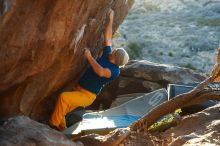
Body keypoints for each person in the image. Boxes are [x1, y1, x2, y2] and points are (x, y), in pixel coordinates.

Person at [49, 9, 129, 130]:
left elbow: (100, 72)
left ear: (116, 59)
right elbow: (108, 37)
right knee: (63, 110)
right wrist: (111, 18)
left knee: (63, 98)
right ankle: (62, 129)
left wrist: (89, 56)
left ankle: (52, 125)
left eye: (115, 51)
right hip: (79, 88)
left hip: (87, 96)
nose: (113, 49)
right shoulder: (108, 55)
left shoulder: (114, 71)